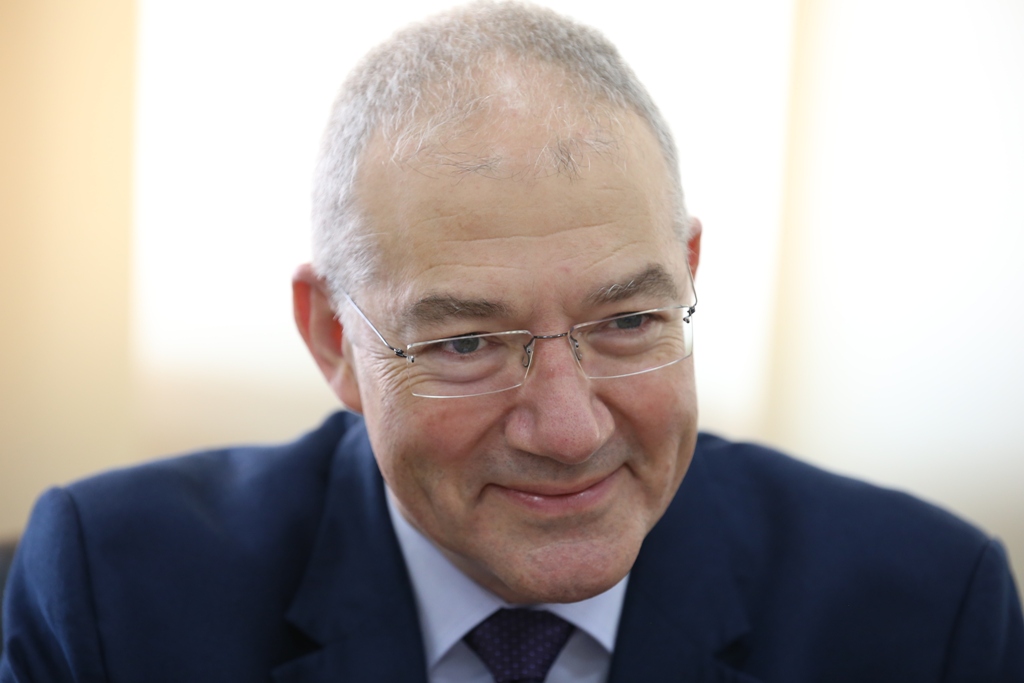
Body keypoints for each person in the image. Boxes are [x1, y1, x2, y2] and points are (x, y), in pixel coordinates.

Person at [2, 2, 1022, 681]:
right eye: (468, 344)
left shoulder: (927, 610)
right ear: (334, 338)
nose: (570, 431)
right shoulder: (112, 594)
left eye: (627, 322)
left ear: (688, 274)